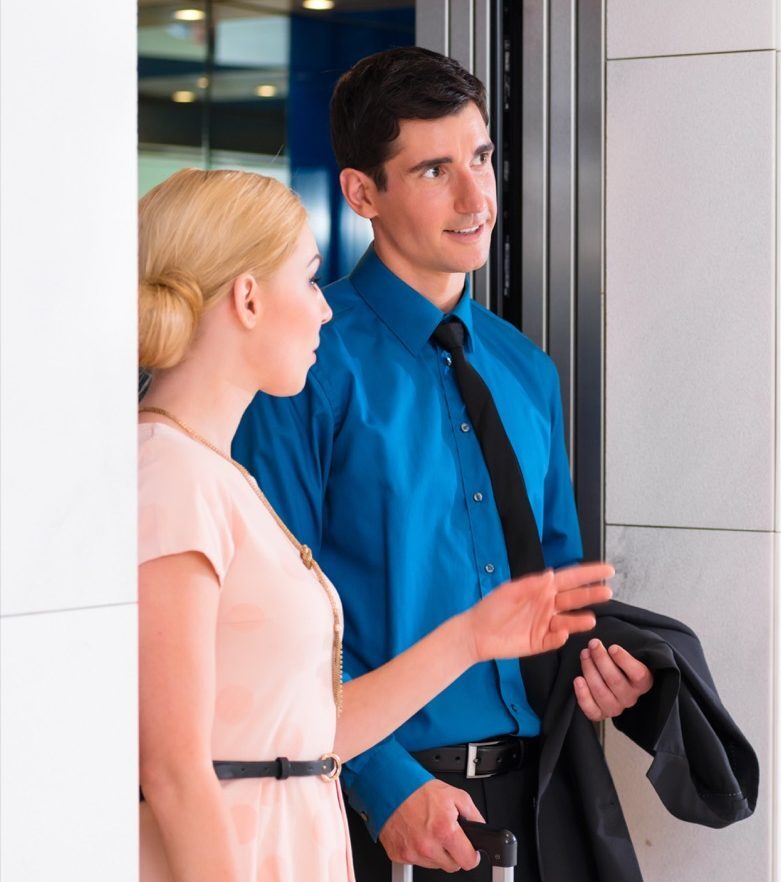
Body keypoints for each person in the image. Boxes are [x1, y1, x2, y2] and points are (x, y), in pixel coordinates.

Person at [231, 48, 667, 882]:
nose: (477, 199)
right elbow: (270, 619)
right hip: (381, 809)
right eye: (434, 169)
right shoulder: (304, 370)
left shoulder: (524, 370)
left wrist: (603, 670)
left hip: (543, 800)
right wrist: (382, 783)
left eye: (480, 157)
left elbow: (558, 586)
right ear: (363, 193)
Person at [136, 167, 615, 882]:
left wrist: (473, 637)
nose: (326, 311)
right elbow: (173, 774)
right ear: (246, 299)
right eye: (306, 281)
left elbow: (305, 734)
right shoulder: (172, 474)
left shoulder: (216, 476)